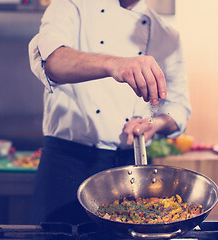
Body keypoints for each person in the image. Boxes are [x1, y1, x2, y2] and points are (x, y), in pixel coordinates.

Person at [28, 0, 191, 224]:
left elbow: (178, 106)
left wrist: (156, 123)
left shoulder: (167, 34)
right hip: (67, 165)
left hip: (130, 170)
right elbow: (52, 61)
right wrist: (114, 64)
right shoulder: (72, 5)